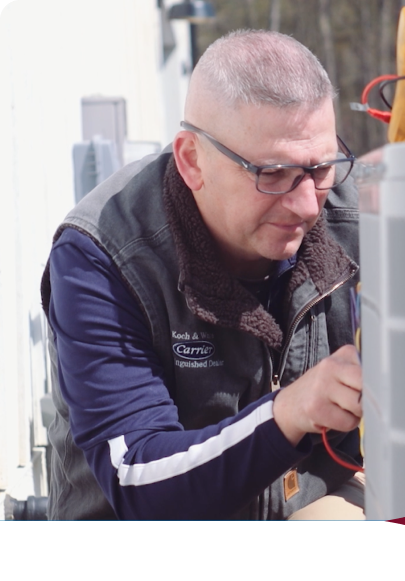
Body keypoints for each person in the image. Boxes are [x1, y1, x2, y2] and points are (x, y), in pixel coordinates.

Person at [40, 29, 365, 520]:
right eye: (272, 173)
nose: (305, 205)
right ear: (193, 160)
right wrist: (288, 414)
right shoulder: (102, 255)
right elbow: (140, 484)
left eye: (319, 168)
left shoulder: (363, 216)